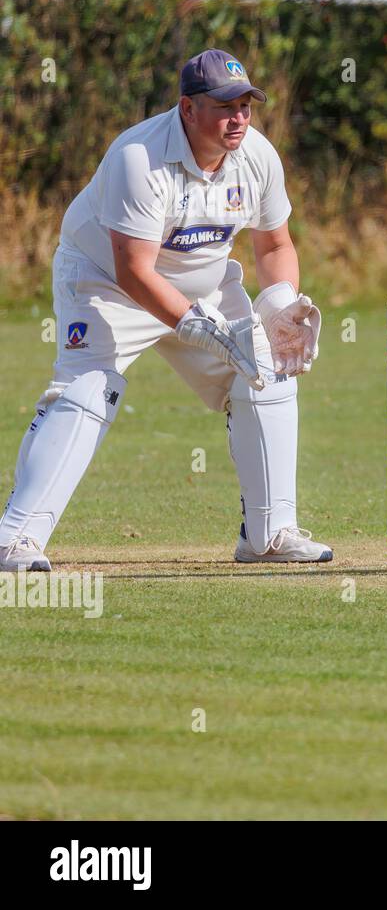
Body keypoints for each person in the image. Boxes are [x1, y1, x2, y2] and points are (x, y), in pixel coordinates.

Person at [0, 49, 329, 571]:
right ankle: (15, 539)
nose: (238, 118)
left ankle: (268, 535)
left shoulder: (258, 155)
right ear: (187, 108)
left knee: (269, 372)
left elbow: (273, 246)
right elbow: (134, 269)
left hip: (204, 284)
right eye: (225, 106)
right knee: (89, 390)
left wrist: (282, 306)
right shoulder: (138, 156)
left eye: (245, 105)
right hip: (104, 281)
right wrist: (202, 329)